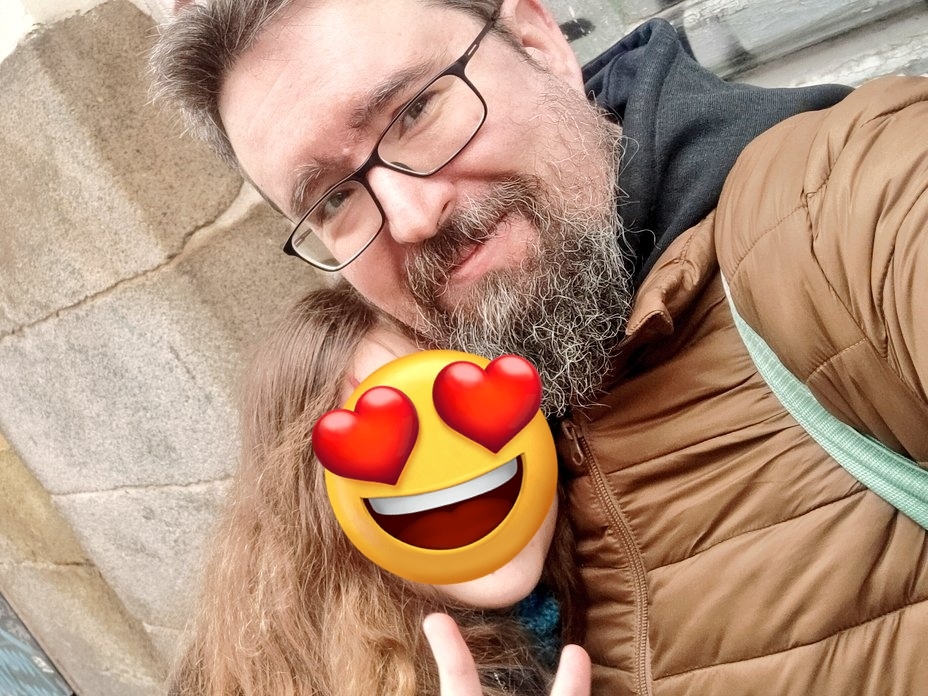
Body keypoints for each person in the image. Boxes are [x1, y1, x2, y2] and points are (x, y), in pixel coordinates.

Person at [151, 0, 928, 693]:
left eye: (416, 110)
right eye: (332, 199)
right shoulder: (453, 428)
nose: (411, 216)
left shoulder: (839, 214)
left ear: (537, 41)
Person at [169, 286, 591, 696]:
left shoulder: (590, 585)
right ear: (321, 512)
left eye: (464, 410)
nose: (455, 482)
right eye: (382, 442)